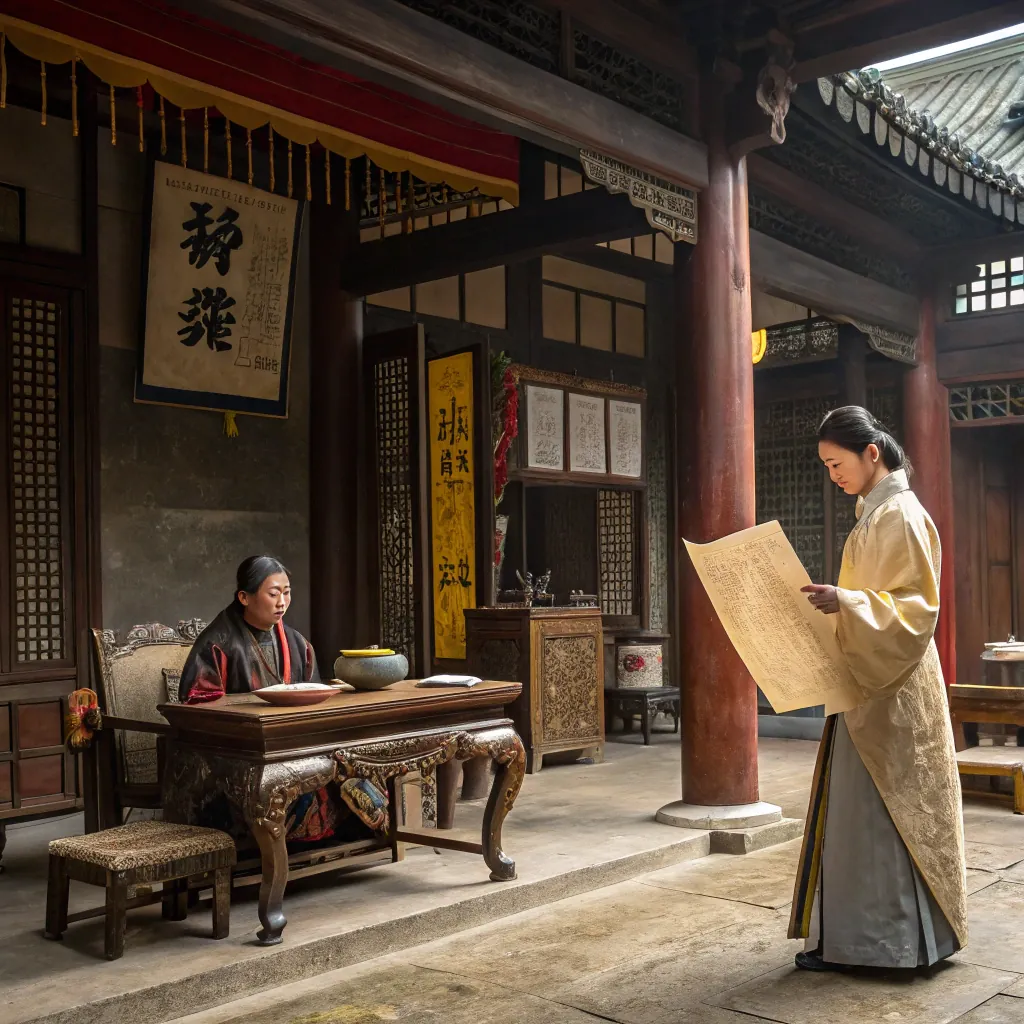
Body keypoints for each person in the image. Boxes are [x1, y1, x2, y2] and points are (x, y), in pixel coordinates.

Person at [789, 406, 967, 971]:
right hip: (868, 682)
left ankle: (886, 947)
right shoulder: (876, 513)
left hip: (893, 687)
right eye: (825, 465)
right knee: (859, 812)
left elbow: (918, 609)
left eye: (836, 463)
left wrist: (848, 601)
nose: (832, 475)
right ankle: (866, 941)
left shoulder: (901, 515)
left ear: (872, 453)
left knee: (884, 813)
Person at [179, 555, 386, 843]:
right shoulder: (217, 643)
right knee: (316, 781)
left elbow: (313, 698)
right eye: (273, 593)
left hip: (293, 742)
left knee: (356, 756)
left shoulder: (297, 643)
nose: (282, 602)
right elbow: (197, 707)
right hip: (239, 752)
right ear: (244, 597)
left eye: (287, 593)